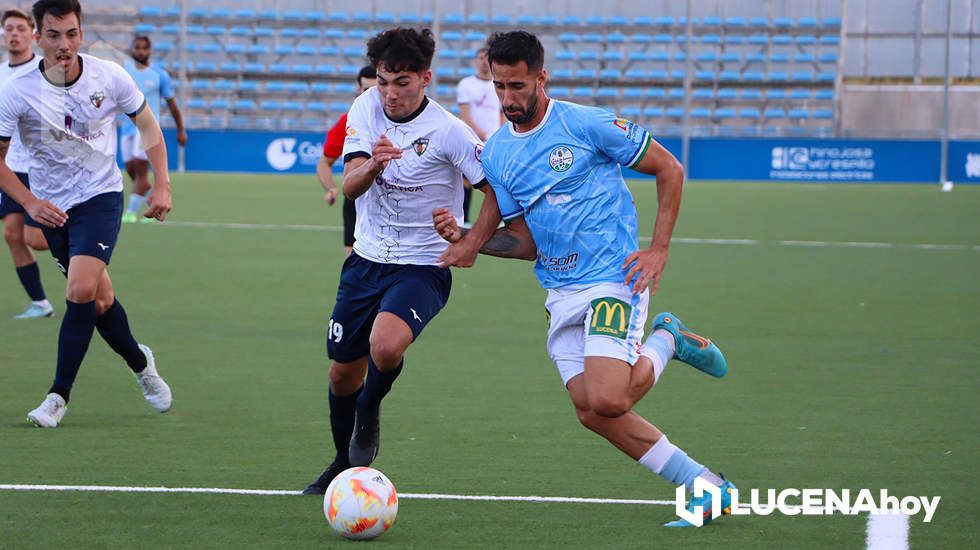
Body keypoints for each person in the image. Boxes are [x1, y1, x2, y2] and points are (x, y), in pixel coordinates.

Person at [432, 31, 737, 528]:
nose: (507, 99)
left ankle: (667, 338)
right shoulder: (498, 155)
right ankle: (706, 487)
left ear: (540, 77)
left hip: (614, 279)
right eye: (499, 88)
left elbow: (670, 168)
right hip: (560, 289)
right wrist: (470, 240)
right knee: (591, 412)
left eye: (517, 86)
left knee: (610, 397)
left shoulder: (587, 123)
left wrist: (658, 249)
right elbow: (524, 241)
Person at [302, 27, 490, 494]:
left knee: (385, 347)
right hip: (366, 261)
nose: (390, 93)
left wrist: (468, 241)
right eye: (384, 81)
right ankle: (343, 465)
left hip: (424, 264)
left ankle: (370, 408)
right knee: (342, 370)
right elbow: (348, 185)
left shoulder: (450, 132)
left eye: (402, 82)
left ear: (425, 79)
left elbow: (496, 194)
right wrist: (372, 165)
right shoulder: (364, 109)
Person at [0, 0, 173, 428]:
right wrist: (29, 203)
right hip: (50, 205)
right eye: (54, 35)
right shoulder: (16, 92)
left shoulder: (109, 75)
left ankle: (57, 397)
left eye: (72, 34)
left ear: (82, 33)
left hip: (100, 196)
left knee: (79, 290)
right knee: (100, 299)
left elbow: (149, 125)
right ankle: (141, 362)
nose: (64, 44)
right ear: (38, 37)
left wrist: (163, 183)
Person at [0, 8, 54, 319]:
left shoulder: (43, 70)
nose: (14, 34)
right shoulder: (2, 73)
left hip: (41, 165)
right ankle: (41, 303)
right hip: (10, 166)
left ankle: (83, 242)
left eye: (20, 28)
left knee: (37, 238)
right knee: (11, 233)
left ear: (33, 35)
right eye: (9, 28)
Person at [119, 34, 186, 224]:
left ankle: (131, 213)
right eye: (137, 47)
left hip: (147, 130)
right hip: (126, 129)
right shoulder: (125, 71)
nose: (140, 51)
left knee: (140, 172)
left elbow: (172, 104)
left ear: (149, 50)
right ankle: (152, 194)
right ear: (132, 49)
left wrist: (181, 129)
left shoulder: (159, 74)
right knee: (132, 170)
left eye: (144, 48)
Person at [316, 65, 377, 256]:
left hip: (395, 200)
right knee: (354, 264)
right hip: (357, 199)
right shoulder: (349, 122)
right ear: (358, 89)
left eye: (376, 89)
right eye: (366, 90)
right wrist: (331, 188)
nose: (371, 95)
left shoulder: (401, 119)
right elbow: (324, 163)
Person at [455, 47, 503, 224]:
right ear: (476, 60)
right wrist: (478, 133)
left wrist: (500, 134)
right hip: (473, 140)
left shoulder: (498, 84)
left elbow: (502, 113)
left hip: (493, 141)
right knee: (467, 180)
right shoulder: (466, 84)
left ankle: (501, 219)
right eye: (481, 57)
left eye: (487, 58)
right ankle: (465, 218)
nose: (484, 61)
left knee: (497, 183)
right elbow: (465, 113)